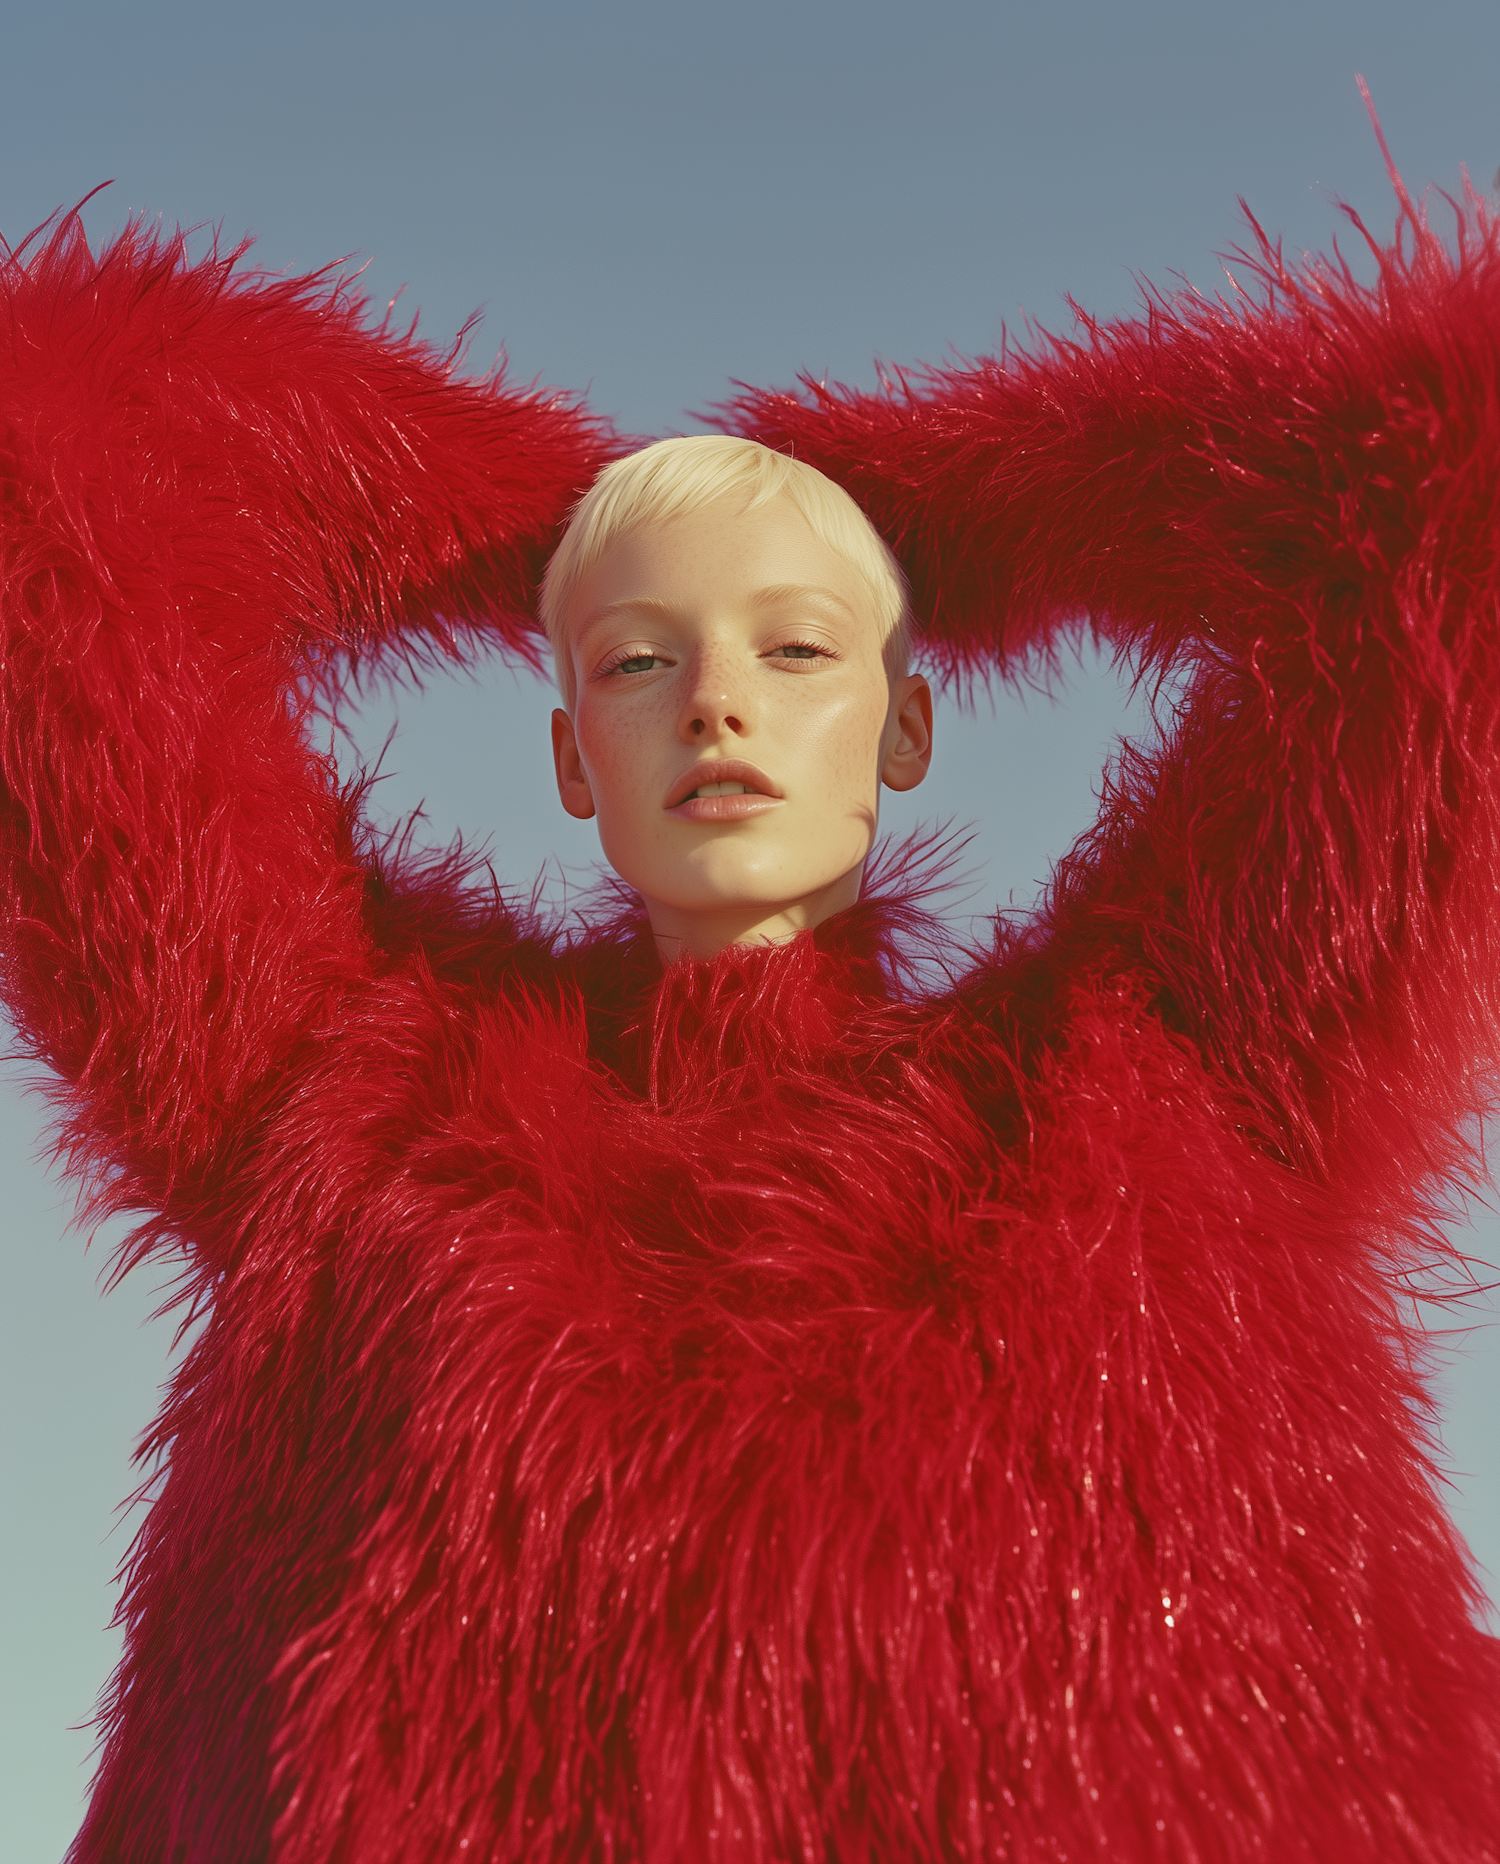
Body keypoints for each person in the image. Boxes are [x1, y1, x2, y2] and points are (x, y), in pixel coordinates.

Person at [2, 169, 1498, 1863]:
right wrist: (533, 518)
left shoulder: (1165, 1086)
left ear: (908, 725)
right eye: (639, 659)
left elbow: (1451, 505)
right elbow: (43, 482)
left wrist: (946, 504)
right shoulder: (341, 1114)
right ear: (572, 755)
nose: (716, 693)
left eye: (797, 648)